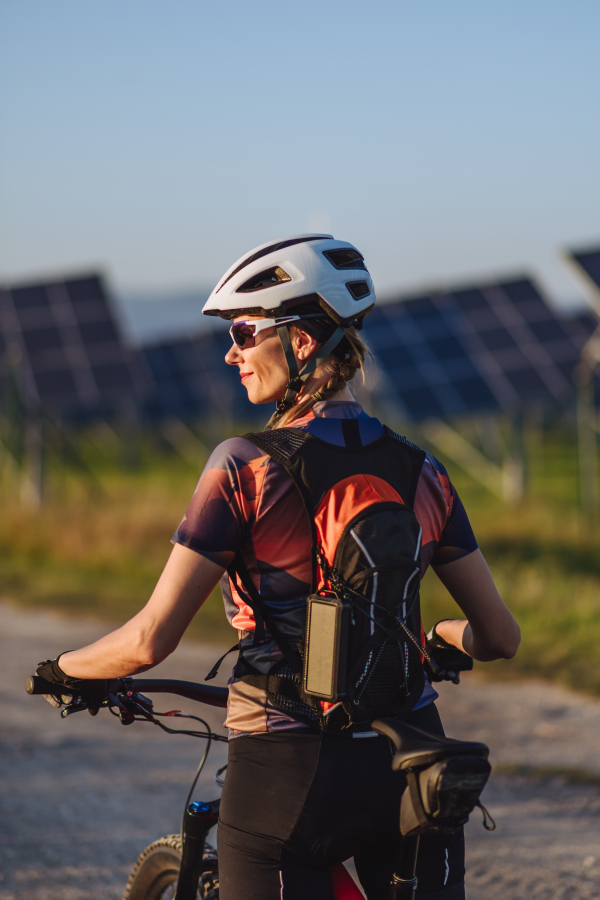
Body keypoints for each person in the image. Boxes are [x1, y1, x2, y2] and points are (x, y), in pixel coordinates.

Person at [37, 235, 520, 900]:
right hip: (413, 761)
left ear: (299, 342)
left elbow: (150, 639)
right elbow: (501, 637)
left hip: (289, 775)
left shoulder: (244, 468)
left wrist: (63, 668)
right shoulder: (422, 469)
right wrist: (441, 636)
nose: (232, 353)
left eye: (243, 331)